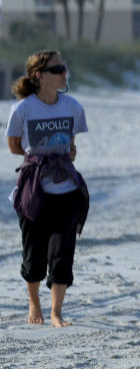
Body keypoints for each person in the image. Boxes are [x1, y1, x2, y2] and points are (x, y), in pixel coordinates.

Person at [6, 50, 89, 327]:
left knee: (63, 251)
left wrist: (62, 156)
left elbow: (72, 145)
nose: (63, 73)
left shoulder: (73, 107)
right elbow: (14, 146)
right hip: (34, 188)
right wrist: (39, 158)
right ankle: (34, 302)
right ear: (39, 75)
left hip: (66, 189)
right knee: (34, 251)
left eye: (64, 68)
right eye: (57, 69)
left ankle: (56, 312)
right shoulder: (22, 109)